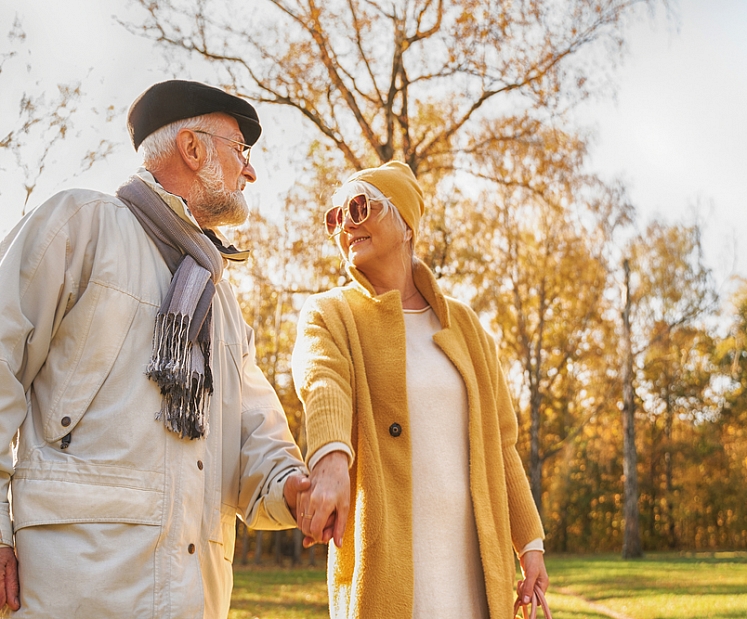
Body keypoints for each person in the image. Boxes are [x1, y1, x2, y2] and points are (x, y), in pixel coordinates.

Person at [0, 80, 309, 618]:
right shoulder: (81, 225)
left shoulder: (223, 304)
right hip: (72, 591)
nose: (250, 171)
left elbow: (256, 439)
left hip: (194, 599)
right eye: (241, 150)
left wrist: (296, 491)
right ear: (193, 149)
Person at [291, 161, 549, 618]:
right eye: (336, 216)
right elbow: (322, 382)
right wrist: (330, 460)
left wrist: (529, 544)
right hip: (384, 565)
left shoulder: (466, 327)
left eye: (359, 206)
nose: (346, 225)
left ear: (406, 224)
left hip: (470, 567)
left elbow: (501, 442)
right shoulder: (330, 314)